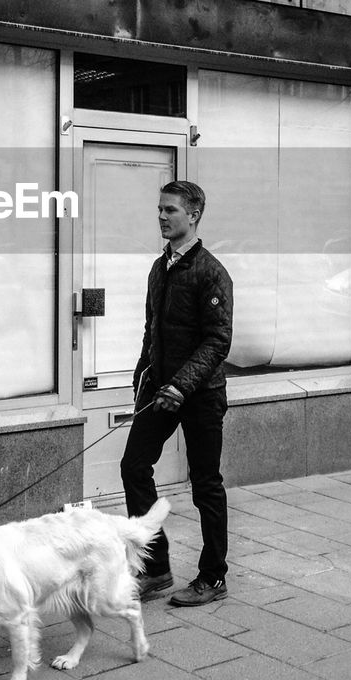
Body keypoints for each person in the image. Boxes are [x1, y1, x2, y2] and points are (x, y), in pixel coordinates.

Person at [121, 180, 234, 607]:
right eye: (160, 210)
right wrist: (143, 377)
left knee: (206, 485)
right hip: (160, 390)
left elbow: (217, 341)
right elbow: (154, 331)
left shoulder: (211, 272)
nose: (162, 217)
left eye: (170, 210)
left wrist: (181, 385)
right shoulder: (159, 268)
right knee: (134, 466)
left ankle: (213, 578)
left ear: (194, 215)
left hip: (201, 395)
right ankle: (157, 568)